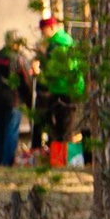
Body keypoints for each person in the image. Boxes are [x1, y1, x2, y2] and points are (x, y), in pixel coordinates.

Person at [0, 34, 33, 170]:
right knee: (11, 131)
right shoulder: (20, 59)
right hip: (14, 101)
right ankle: (7, 162)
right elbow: (27, 81)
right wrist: (28, 100)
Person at [36, 14, 82, 167]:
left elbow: (66, 68)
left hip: (65, 90)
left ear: (51, 28)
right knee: (58, 126)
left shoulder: (60, 44)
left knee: (64, 126)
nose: (42, 34)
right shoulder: (56, 43)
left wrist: (46, 76)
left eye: (43, 31)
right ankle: (58, 159)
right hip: (59, 89)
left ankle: (65, 160)